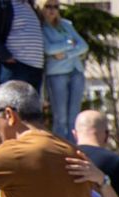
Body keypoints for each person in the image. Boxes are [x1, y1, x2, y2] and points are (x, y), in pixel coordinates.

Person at [38, 0, 87, 141]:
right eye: (48, 6)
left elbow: (83, 46)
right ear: (41, 8)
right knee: (61, 117)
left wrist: (65, 54)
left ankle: (74, 147)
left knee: (74, 116)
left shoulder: (66, 25)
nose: (52, 10)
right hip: (57, 73)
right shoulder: (41, 27)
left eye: (56, 7)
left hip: (76, 71)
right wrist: (69, 44)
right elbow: (48, 49)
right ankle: (60, 149)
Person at [0, 0, 45, 89]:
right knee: (11, 101)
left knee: (31, 102)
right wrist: (5, 56)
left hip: (35, 69)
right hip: (14, 67)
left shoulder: (29, 5)